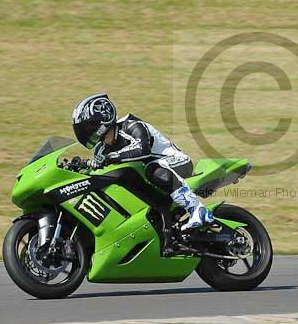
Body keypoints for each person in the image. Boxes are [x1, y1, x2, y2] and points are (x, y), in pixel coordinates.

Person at [71, 93, 214, 238]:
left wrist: (112, 157)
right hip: (149, 176)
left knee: (153, 169)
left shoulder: (131, 126)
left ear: (103, 119)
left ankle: (197, 209)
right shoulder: (101, 149)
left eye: (87, 127)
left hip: (176, 163)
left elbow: (142, 150)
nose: (85, 133)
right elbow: (98, 169)